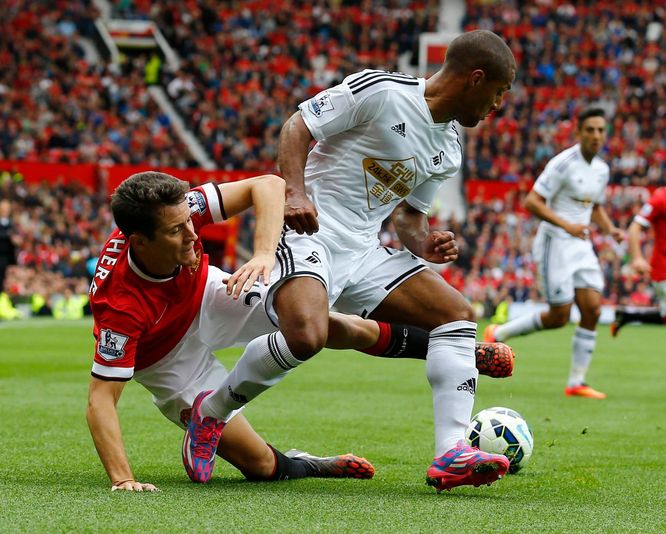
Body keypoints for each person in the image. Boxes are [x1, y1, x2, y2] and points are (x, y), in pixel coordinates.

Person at [184, 29, 517, 493]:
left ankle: (451, 452)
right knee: (307, 335)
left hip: (363, 247)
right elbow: (298, 127)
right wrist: (296, 192)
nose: (498, 104)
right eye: (499, 92)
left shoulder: (449, 149)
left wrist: (425, 243)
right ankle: (211, 412)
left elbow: (408, 217)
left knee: (456, 316)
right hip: (309, 229)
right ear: (475, 78)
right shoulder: (382, 91)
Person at [87, 171, 512, 491]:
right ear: (138, 242)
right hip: (165, 358)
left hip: (207, 295)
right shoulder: (120, 309)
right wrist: (123, 480)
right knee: (258, 466)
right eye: (177, 231)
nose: (192, 233)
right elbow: (101, 401)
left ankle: (456, 350)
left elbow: (269, 185)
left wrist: (262, 255)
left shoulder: (177, 211)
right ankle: (308, 463)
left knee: (313, 326)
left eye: (189, 221)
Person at [484, 108, 625, 399]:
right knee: (559, 316)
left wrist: (611, 230)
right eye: (590, 130)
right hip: (555, 242)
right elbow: (532, 201)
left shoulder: (601, 169)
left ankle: (576, 383)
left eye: (601, 130)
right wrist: (567, 225)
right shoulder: (563, 164)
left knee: (592, 310)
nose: (596, 135)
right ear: (579, 132)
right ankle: (498, 334)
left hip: (580, 244)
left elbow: (594, 207)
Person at [611, 186, 666, 334]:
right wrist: (637, 258)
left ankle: (627, 316)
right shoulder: (661, 197)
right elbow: (634, 227)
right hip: (663, 268)